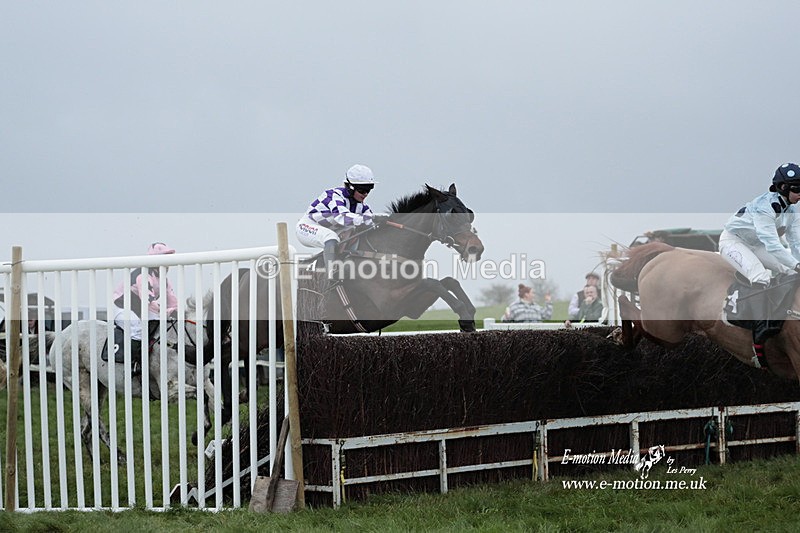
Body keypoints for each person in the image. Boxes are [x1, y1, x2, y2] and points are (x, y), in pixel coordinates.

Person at [719, 162, 800, 288]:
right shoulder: (764, 208)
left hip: (758, 245)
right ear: (783, 187)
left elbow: (796, 243)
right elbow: (772, 245)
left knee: (793, 272)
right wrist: (796, 265)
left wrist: (797, 264)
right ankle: (736, 301)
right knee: (761, 278)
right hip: (734, 242)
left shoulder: (792, 211)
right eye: (797, 189)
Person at [295, 164, 379, 278]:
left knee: (354, 233)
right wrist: (371, 219)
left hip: (333, 229)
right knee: (331, 237)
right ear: (350, 187)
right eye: (362, 190)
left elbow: (370, 223)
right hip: (307, 226)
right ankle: (331, 275)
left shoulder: (362, 206)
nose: (365, 194)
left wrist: (381, 220)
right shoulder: (334, 196)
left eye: (368, 190)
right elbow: (342, 217)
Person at [111, 242, 178, 374]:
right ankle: (134, 364)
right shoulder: (143, 275)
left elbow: (173, 302)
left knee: (161, 326)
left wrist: (180, 312)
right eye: (165, 258)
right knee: (138, 330)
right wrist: (167, 311)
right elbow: (149, 301)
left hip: (141, 308)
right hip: (123, 307)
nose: (168, 264)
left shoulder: (164, 280)